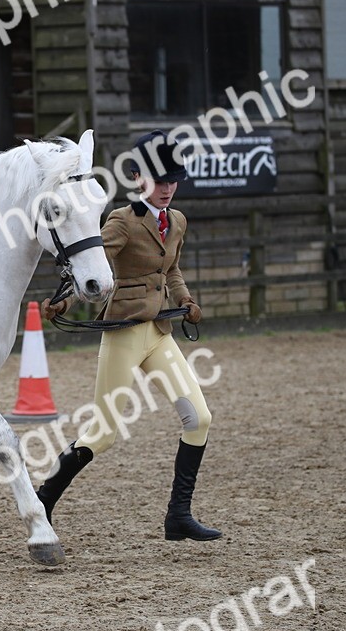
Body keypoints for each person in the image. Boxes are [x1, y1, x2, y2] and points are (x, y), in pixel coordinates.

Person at [37, 130, 220, 540]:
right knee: (103, 433)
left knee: (199, 417)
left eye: (173, 181)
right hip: (122, 333)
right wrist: (63, 303)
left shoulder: (176, 221)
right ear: (139, 178)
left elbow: (170, 269)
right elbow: (91, 269)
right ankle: (42, 500)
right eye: (160, 180)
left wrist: (186, 300)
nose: (168, 188)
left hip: (158, 332)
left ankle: (178, 516)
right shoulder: (122, 221)